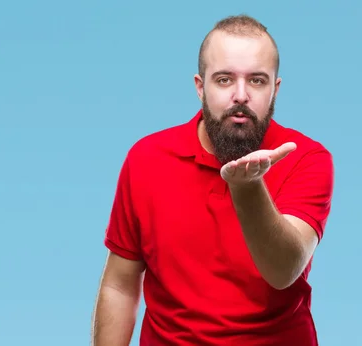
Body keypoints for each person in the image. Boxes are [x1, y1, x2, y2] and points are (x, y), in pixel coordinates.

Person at [90, 14, 334, 346]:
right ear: (199, 86)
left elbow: (283, 270)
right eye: (224, 80)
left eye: (257, 81)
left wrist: (246, 185)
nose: (241, 95)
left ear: (275, 89)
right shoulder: (146, 159)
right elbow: (119, 285)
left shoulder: (305, 158)